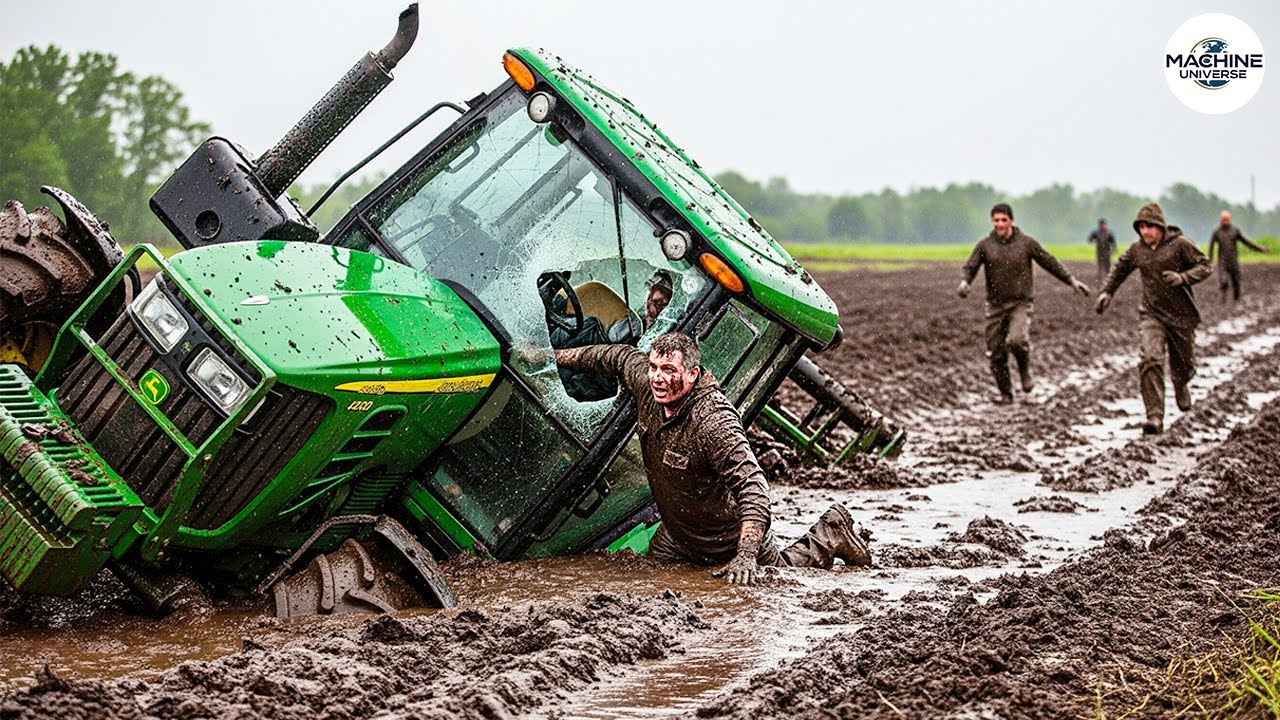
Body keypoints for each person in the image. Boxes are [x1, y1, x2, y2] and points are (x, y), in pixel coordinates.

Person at [553, 332, 870, 584]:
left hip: (726, 540)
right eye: (654, 368)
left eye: (669, 370)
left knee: (780, 576)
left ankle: (830, 532)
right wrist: (553, 357)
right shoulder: (648, 386)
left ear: (692, 374)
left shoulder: (713, 421)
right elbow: (615, 356)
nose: (657, 378)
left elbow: (753, 486)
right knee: (650, 582)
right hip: (677, 536)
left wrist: (746, 554)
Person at [1096, 203, 1212, 435]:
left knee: (1185, 364)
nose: (1145, 231)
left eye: (1149, 226)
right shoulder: (1137, 249)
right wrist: (1107, 292)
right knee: (1150, 359)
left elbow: (1205, 265)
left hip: (1181, 315)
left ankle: (1181, 382)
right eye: (1141, 227)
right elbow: (1120, 269)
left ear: (1160, 226)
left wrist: (1183, 277)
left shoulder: (1180, 245)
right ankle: (1154, 416)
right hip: (1152, 314)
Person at [958, 203, 1091, 403]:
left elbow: (1048, 261)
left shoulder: (1026, 243)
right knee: (996, 352)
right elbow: (971, 266)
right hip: (995, 306)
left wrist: (1071, 280)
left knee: (1017, 340)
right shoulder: (985, 245)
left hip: (1020, 303)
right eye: (996, 220)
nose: (999, 224)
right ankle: (1006, 394)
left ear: (1011, 220)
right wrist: (965, 282)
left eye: (1003, 220)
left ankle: (1024, 370)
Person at [1207, 210, 1268, 304]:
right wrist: (1209, 260)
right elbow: (1211, 247)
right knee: (1223, 280)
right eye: (1223, 220)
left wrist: (1260, 249)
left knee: (1236, 281)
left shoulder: (1235, 231)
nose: (1225, 222)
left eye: (1227, 220)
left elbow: (1247, 242)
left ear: (1230, 219)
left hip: (1233, 261)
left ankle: (1236, 300)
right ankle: (1223, 300)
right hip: (1222, 261)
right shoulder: (1217, 232)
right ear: (1221, 220)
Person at [1088, 218, 1117, 283]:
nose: (1103, 225)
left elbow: (1113, 243)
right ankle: (1100, 279)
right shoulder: (1096, 233)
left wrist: (1114, 249)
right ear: (1099, 225)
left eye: (1104, 224)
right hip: (1099, 252)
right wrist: (1094, 241)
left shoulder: (1109, 233)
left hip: (1107, 252)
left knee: (1107, 266)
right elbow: (1089, 239)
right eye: (1102, 224)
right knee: (1100, 265)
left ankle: (1108, 279)